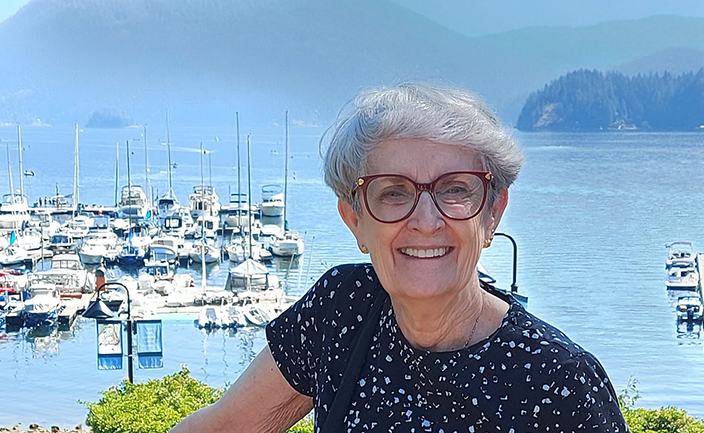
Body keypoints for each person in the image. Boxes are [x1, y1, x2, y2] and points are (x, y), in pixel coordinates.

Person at [171, 83, 627, 432]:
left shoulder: (560, 384)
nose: (426, 220)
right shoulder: (343, 309)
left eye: (454, 189)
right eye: (393, 193)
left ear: (492, 213)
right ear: (354, 221)